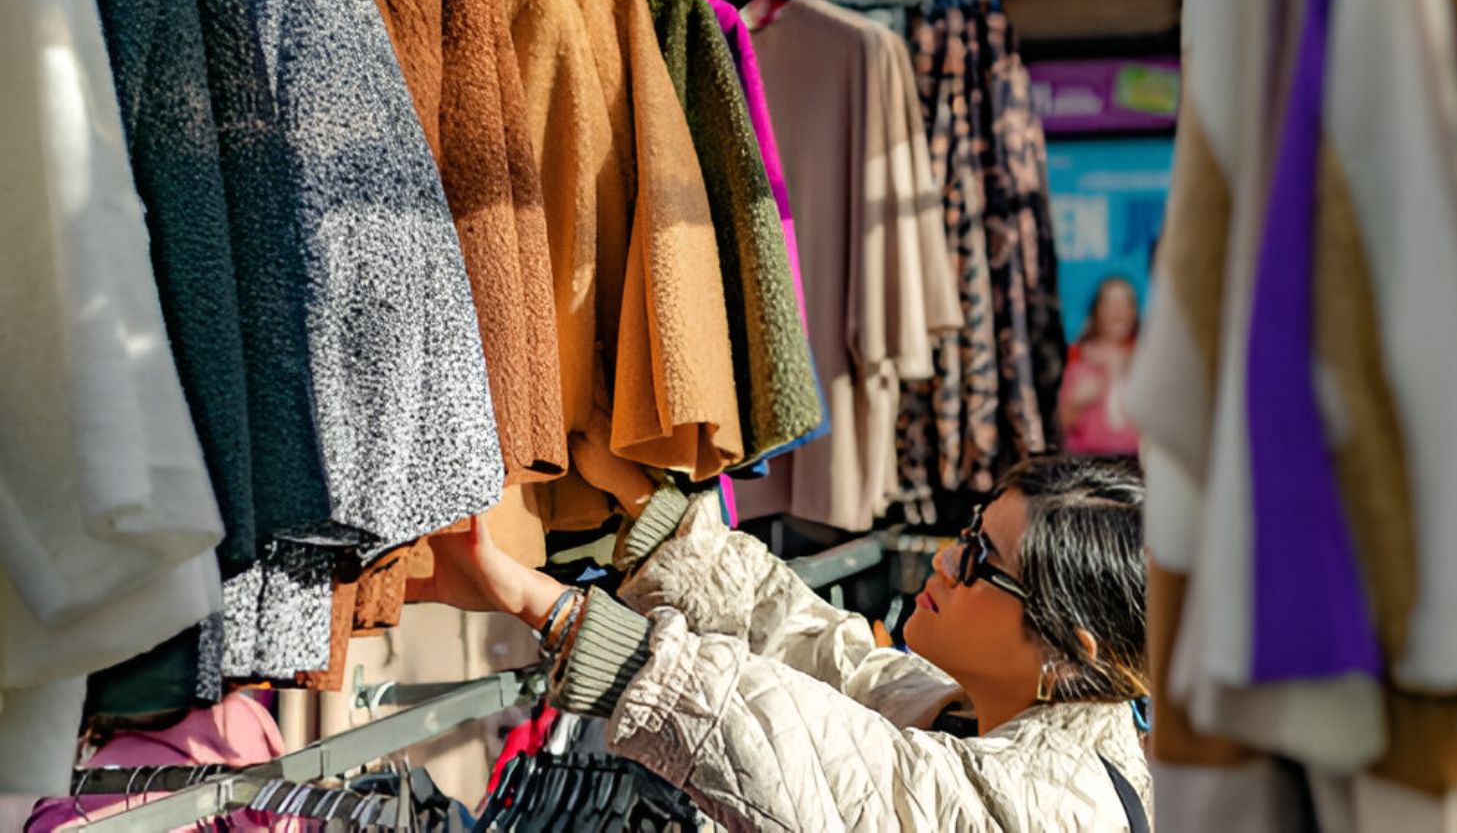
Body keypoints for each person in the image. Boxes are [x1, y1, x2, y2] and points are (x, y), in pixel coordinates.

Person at [419, 454, 1152, 830]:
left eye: (980, 559)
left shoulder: (1052, 812)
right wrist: (664, 528)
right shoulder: (1010, 724)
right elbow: (831, 664)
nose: (944, 560)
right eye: (966, 530)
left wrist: (539, 604)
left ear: (1068, 649)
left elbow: (821, 765)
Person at [1059, 277, 1143, 455]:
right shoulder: (1080, 360)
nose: (1118, 312)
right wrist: (1076, 403)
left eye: (1125, 304)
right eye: (1110, 304)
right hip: (1091, 461)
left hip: (1134, 462)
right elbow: (1064, 422)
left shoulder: (1144, 363)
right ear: (1097, 311)